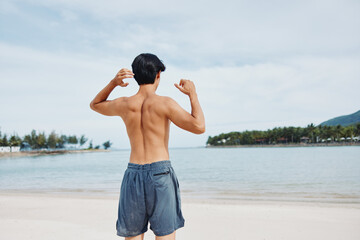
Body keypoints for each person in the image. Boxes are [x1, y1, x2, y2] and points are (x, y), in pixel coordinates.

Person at [89, 53, 205, 240]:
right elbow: (199, 127)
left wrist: (113, 83)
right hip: (160, 174)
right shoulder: (165, 103)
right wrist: (193, 94)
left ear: (134, 75)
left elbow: (95, 104)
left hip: (133, 174)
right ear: (158, 74)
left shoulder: (125, 104)